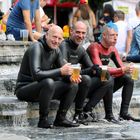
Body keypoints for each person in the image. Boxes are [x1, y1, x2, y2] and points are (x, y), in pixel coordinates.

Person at [14, 25, 80, 129]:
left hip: (43, 90)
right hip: (24, 89)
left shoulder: (56, 51)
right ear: (46, 36)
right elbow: (36, 74)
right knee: (48, 82)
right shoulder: (36, 47)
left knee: (73, 85)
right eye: (54, 37)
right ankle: (43, 120)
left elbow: (64, 71)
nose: (56, 41)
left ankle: (61, 118)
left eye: (59, 38)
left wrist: (70, 77)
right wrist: (60, 71)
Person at [60, 21, 118, 124]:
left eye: (83, 33)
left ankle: (92, 110)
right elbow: (66, 71)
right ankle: (78, 113)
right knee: (86, 78)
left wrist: (100, 71)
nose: (81, 36)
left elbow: (92, 68)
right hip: (65, 84)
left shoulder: (81, 49)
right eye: (78, 32)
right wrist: (90, 70)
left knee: (108, 78)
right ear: (71, 31)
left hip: (78, 82)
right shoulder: (63, 46)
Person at [88, 21, 140, 122]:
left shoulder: (112, 49)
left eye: (117, 35)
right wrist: (122, 69)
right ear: (104, 35)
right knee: (108, 77)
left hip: (104, 83)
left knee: (128, 79)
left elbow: (121, 68)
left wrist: (128, 69)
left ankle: (123, 113)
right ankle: (109, 114)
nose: (115, 38)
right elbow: (99, 68)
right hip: (90, 85)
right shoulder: (94, 47)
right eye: (112, 35)